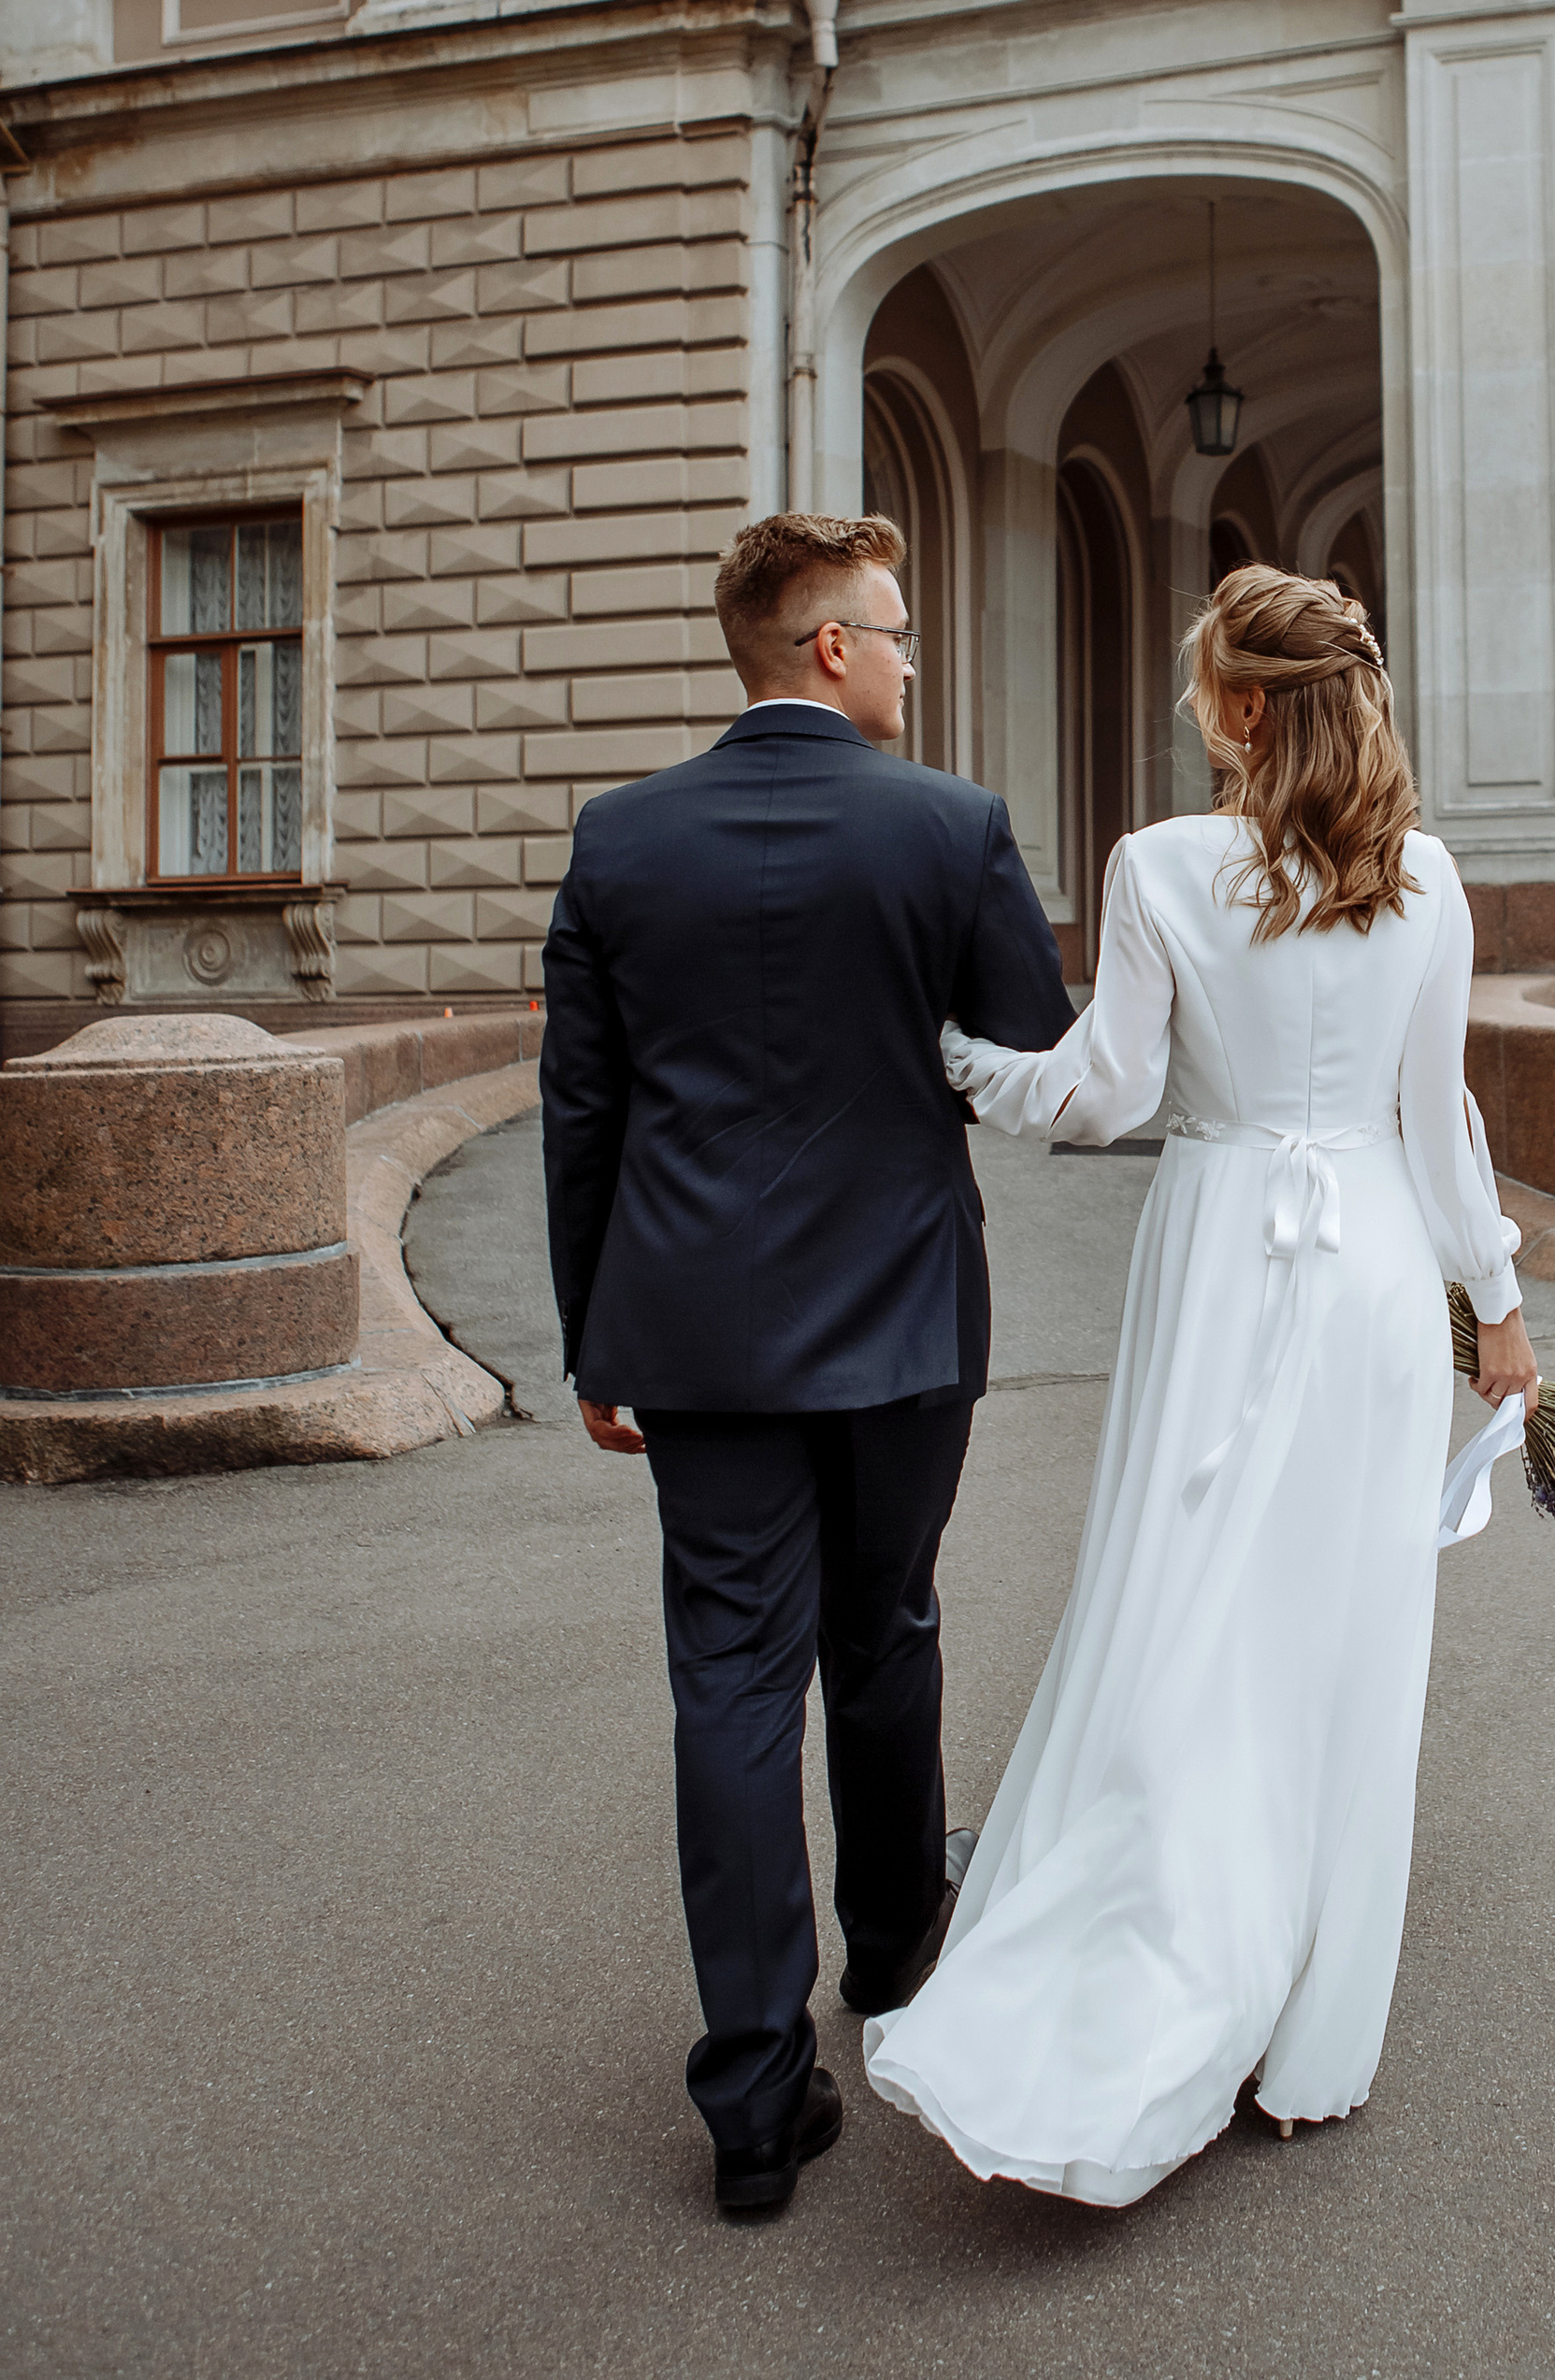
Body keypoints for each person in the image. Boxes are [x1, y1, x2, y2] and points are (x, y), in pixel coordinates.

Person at [864, 563, 1538, 2206]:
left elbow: (1105, 1097)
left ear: (1242, 705)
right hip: (1375, 1260)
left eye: (1200, 687)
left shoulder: (1163, 864)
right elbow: (1438, 1118)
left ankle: (1158, 1956)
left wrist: (961, 1064)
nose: (1191, 712)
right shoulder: (1425, 878)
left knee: (1183, 1599)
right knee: (1345, 1632)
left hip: (1226, 1248)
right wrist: (1498, 1302)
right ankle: (1310, 2040)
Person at [540, 511, 1073, 2216]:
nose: (915, 656)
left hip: (691, 1331)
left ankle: (756, 2100)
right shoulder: (951, 828)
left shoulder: (620, 840)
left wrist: (592, 1337)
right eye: (899, 631)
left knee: (731, 1676)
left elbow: (583, 1118)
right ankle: (901, 1962)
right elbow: (1035, 1044)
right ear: (829, 646)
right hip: (907, 1317)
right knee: (887, 1623)